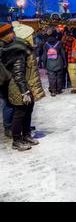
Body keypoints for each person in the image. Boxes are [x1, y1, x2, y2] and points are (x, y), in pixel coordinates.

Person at [0, 22, 45, 151]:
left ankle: (26, 135)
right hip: (19, 86)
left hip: (25, 84)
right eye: (31, 35)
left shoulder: (23, 47)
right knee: (19, 113)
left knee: (28, 111)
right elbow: (18, 73)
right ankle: (17, 140)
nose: (33, 36)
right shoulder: (18, 50)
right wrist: (24, 92)